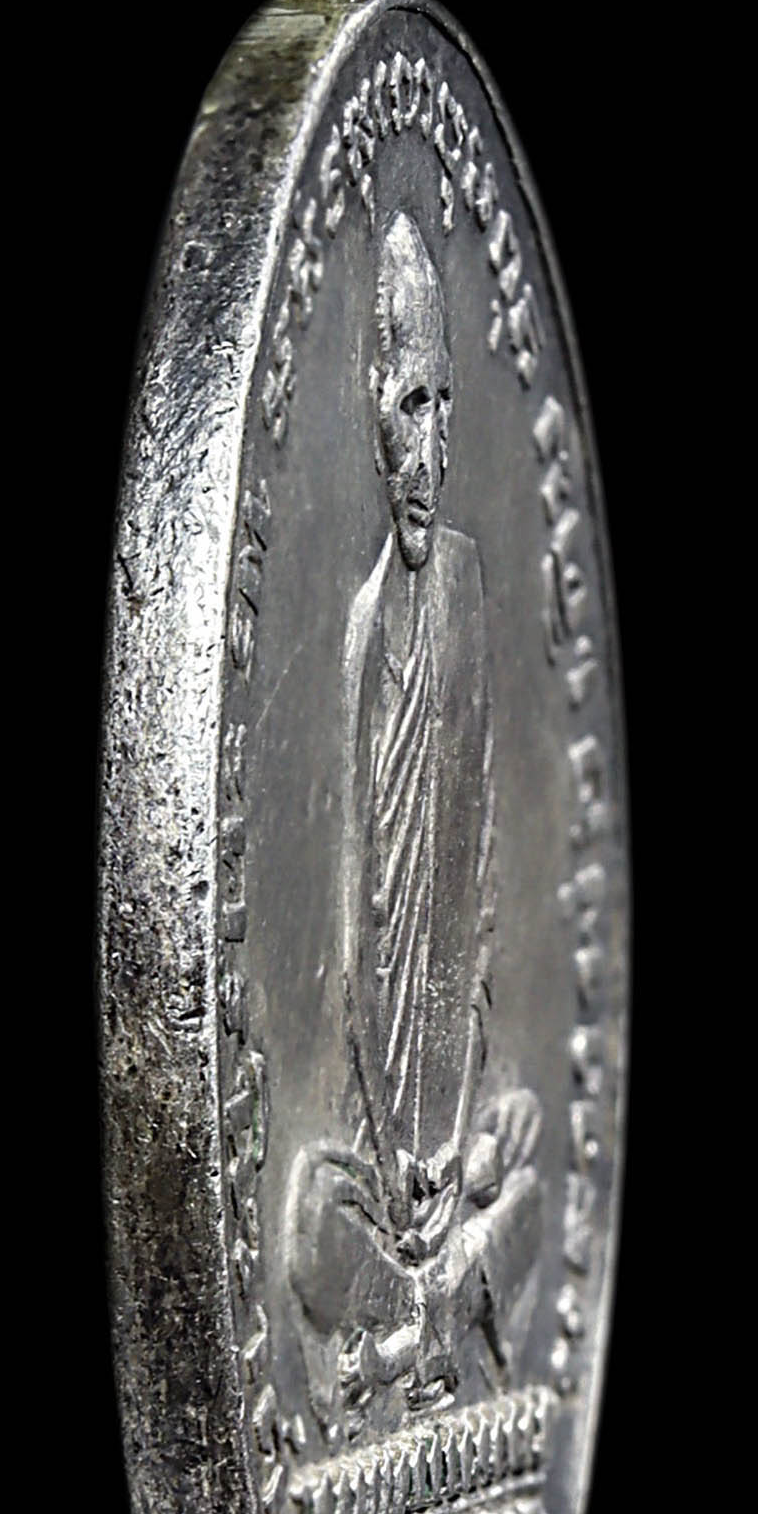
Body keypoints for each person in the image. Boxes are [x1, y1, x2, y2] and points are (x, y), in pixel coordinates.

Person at [285, 211, 543, 1445]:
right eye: (406, 410)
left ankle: (411, 1331)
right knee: (308, 1232)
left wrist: (471, 1120)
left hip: (455, 1086)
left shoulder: (474, 588)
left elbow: (477, 867)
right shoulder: (357, 632)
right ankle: (428, 1317)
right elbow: (355, 923)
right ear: (374, 417)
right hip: (380, 1122)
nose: (427, 450)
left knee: (524, 1172)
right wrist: (394, 1155)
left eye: (444, 408)